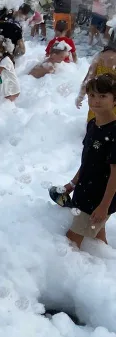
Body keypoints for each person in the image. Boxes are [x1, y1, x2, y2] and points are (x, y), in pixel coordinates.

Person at [60, 74, 116, 249]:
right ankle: (106, 266)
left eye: (102, 96)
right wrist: (72, 183)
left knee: (71, 241)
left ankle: (72, 272)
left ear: (115, 100)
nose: (95, 101)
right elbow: (88, 160)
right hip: (87, 190)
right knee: (98, 236)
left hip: (98, 198)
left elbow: (115, 174)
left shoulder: (114, 132)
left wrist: (103, 207)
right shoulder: (93, 124)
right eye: (92, 95)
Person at [76, 34, 116, 121]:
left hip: (98, 100)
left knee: (96, 127)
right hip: (112, 102)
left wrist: (80, 96)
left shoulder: (100, 56)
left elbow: (88, 79)